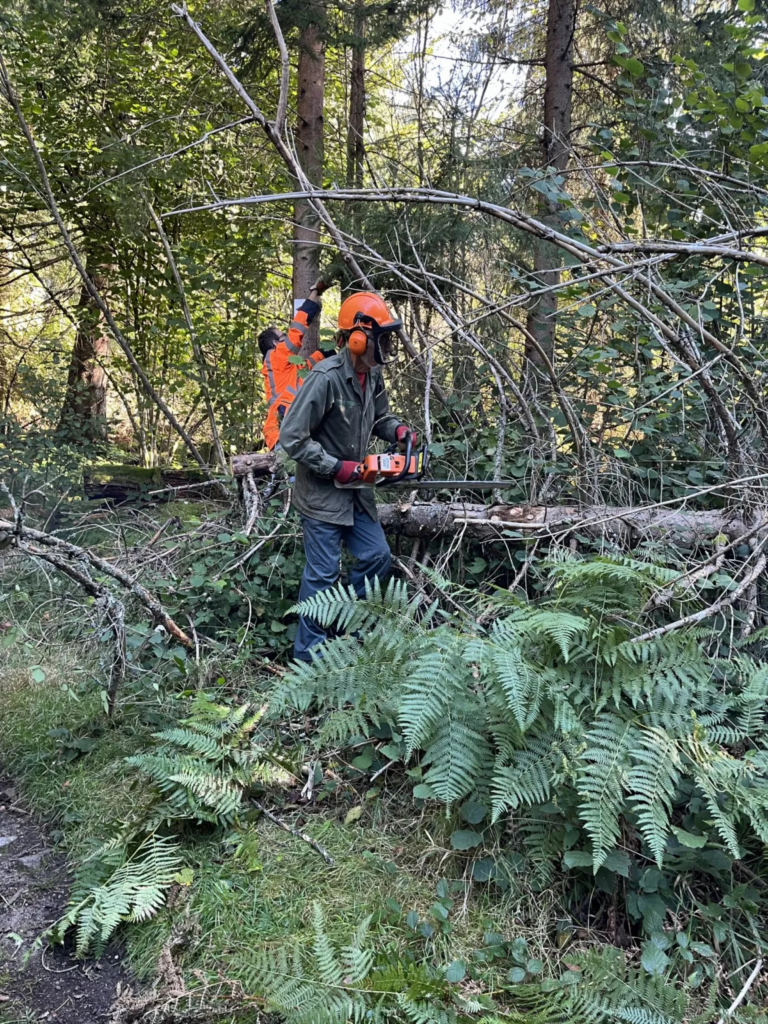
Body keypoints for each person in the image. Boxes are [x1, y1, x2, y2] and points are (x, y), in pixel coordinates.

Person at [279, 291, 417, 662]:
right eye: (381, 337)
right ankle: (306, 662)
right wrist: (334, 465)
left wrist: (400, 431)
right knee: (322, 578)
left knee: (376, 556)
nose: (386, 345)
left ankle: (344, 629)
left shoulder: (372, 376)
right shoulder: (325, 378)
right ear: (358, 337)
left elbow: (380, 419)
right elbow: (291, 437)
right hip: (323, 497)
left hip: (357, 493)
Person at [258, 279, 330, 450]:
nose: (286, 341)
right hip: (284, 430)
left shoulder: (285, 368)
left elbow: (310, 364)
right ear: (276, 344)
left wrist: (332, 348)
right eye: (282, 337)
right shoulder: (276, 356)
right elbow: (297, 328)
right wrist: (315, 294)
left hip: (288, 429)